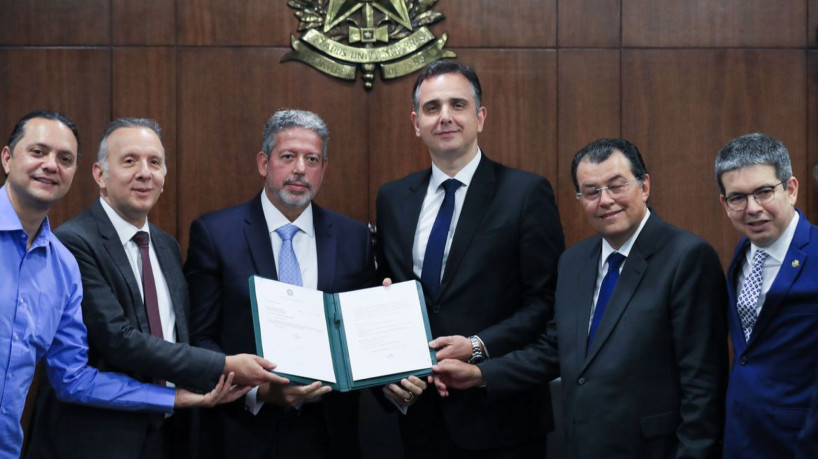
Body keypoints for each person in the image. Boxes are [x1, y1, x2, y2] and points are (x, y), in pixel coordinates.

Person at [432, 138, 729, 458]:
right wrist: (480, 374)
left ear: (644, 186)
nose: (605, 200)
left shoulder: (687, 257)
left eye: (617, 186)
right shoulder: (573, 262)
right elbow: (555, 349)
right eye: (591, 191)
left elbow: (703, 385)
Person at [24, 118, 287, 459]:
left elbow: (179, 336)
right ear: (100, 175)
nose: (145, 173)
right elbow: (119, 340)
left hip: (170, 435)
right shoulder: (75, 242)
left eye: (155, 162)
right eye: (129, 161)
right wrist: (223, 364)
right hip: (97, 438)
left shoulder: (165, 245)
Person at [374, 60, 565, 458]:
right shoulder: (393, 199)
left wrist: (477, 346)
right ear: (415, 122)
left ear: (479, 117)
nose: (445, 117)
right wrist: (388, 375)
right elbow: (388, 296)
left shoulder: (526, 193)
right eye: (432, 108)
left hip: (503, 419)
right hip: (420, 418)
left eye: (457, 105)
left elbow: (546, 302)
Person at [185, 109, 376, 458]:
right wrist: (256, 391)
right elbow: (200, 338)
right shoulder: (216, 234)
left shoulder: (354, 238)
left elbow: (359, 334)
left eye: (312, 159)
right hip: (243, 431)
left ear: (324, 170)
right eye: (288, 157)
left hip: (330, 432)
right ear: (264, 162)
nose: (300, 169)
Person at [715, 133, 818, 458]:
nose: (752, 209)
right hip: (741, 436)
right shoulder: (744, 252)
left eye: (763, 192)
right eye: (738, 198)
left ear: (790, 189)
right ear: (725, 203)